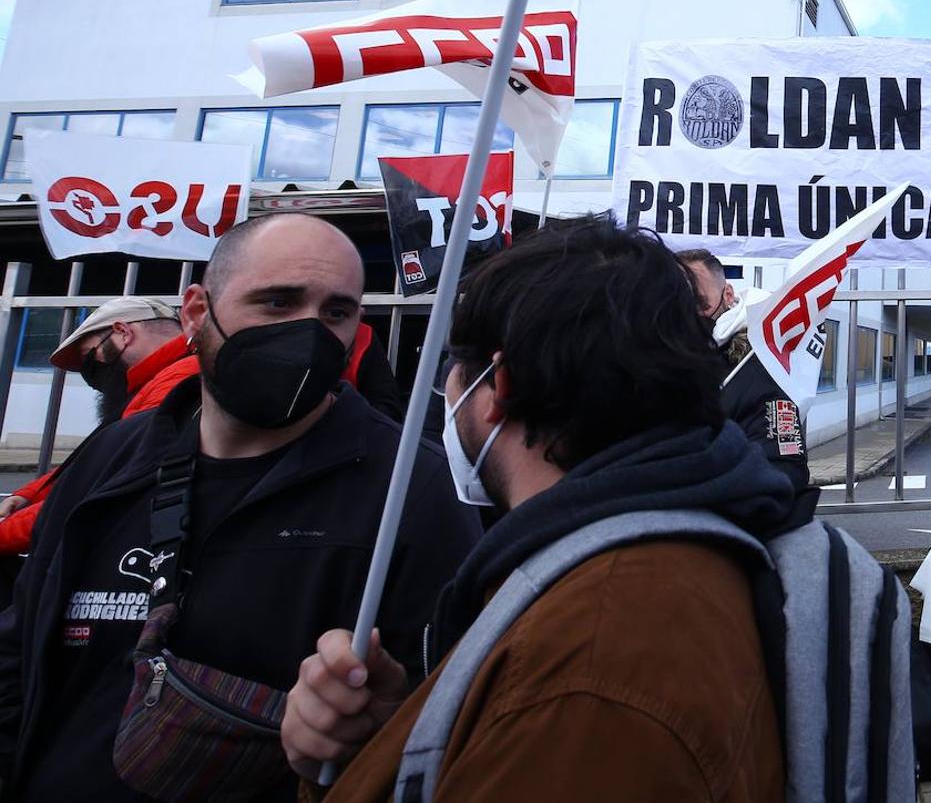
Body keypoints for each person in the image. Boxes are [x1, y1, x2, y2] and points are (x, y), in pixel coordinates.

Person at [281, 218, 799, 800]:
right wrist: (399, 735)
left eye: (455, 368)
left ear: (499, 384)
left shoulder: (590, 660)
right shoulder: (643, 565)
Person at [0, 214, 481, 801]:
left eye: (336, 313)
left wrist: (379, 728)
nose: (309, 333)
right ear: (197, 313)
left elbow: (446, 711)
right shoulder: (114, 457)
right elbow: (22, 646)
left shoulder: (411, 486)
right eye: (278, 302)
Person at [0, 298, 405, 559]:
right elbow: (95, 458)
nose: (92, 374)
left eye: (91, 358)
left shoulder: (179, 383)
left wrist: (10, 532)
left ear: (123, 333)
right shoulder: (151, 385)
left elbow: (103, 490)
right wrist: (27, 494)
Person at [677, 248, 811, 494]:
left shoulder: (760, 362)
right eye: (673, 303)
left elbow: (785, 470)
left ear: (727, 295)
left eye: (698, 302)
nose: (686, 315)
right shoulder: (651, 358)